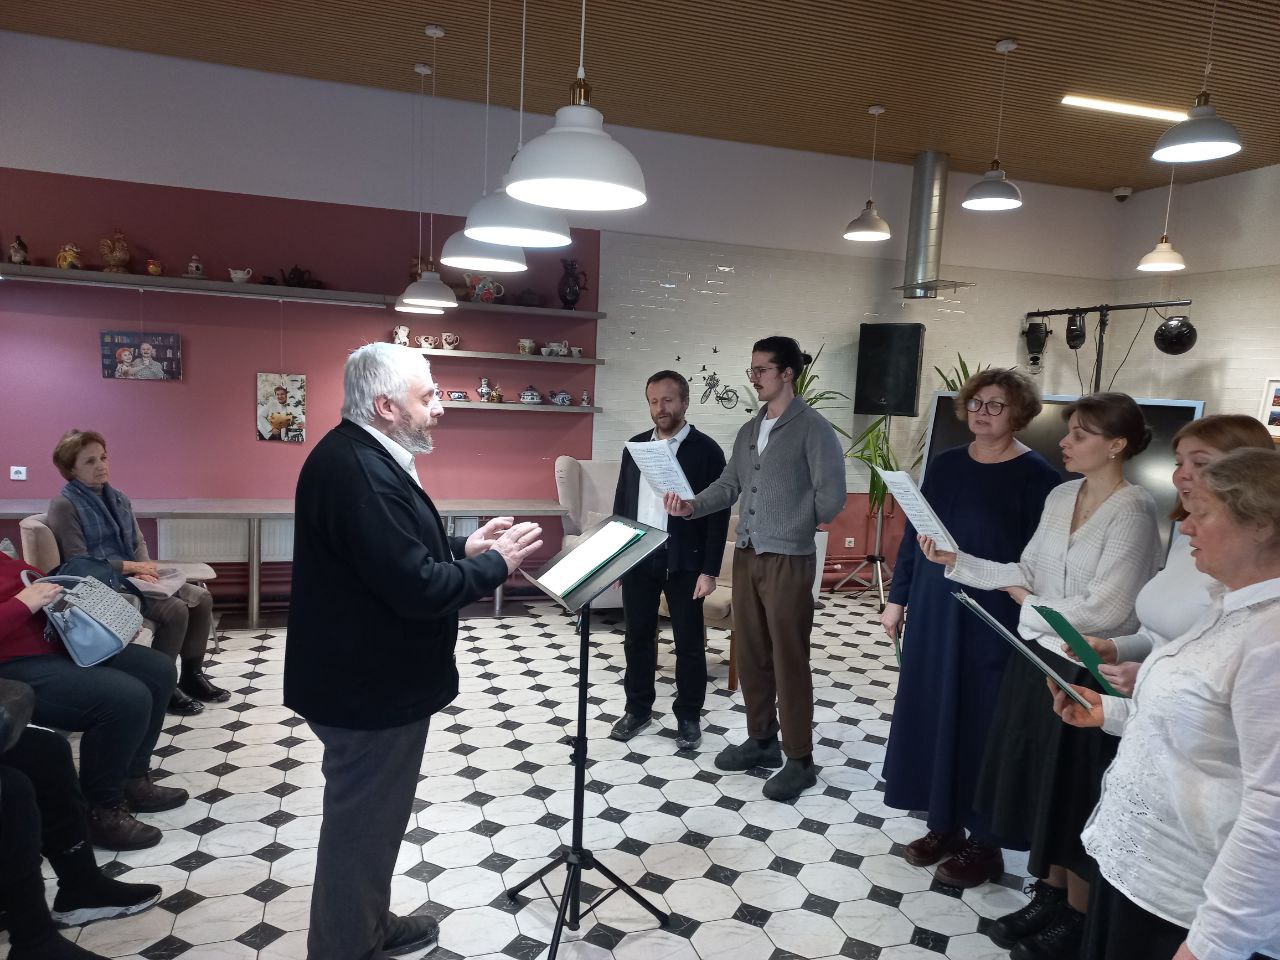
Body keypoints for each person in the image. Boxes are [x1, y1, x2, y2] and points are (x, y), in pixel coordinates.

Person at [283, 343, 543, 960]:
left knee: (371, 826)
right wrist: (496, 566)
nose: (439, 407)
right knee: (362, 831)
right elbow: (417, 588)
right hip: (370, 690)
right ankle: (347, 947)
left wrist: (463, 550)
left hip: (361, 678)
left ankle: (365, 927)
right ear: (385, 406)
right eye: (427, 397)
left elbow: (394, 553)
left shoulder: (359, 453)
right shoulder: (362, 472)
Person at [918, 392, 1161, 959]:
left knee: (1073, 790)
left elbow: (1106, 608)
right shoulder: (1061, 495)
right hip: (1039, 656)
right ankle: (1048, 896)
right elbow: (1026, 570)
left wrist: (1028, 605)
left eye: (1080, 434)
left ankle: (1076, 916)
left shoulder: (1133, 509)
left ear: (1117, 445)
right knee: (1039, 783)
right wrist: (958, 562)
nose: (1065, 443)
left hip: (1089, 665)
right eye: (1069, 430)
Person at [1051, 448, 1280, 960]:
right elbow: (1202, 722)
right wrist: (1110, 712)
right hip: (1144, 870)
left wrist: (1213, 943)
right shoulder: (1231, 605)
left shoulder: (1271, 639)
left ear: (1261, 524)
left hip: (1191, 904)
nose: (1187, 526)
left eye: (1203, 513)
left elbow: (1272, 812)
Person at [880, 369, 1061, 879]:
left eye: (996, 405)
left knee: (983, 721)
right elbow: (917, 535)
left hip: (993, 615)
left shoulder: (1040, 478)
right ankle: (943, 823)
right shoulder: (946, 464)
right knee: (934, 710)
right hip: (936, 609)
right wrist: (898, 599)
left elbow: (1039, 564)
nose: (982, 413)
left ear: (1018, 413)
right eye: (977, 403)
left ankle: (986, 840)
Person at [665, 336, 846, 802]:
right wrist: (691, 505)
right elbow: (729, 485)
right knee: (751, 653)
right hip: (747, 556)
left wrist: (795, 525)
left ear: (787, 373)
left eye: (762, 370)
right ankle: (762, 738)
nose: (755, 378)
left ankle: (800, 759)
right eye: (752, 370)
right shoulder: (749, 429)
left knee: (789, 658)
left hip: (789, 560)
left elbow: (832, 496)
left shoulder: (814, 428)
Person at [1067, 415, 1274, 697]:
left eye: (1200, 463)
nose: (1181, 475)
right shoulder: (1188, 540)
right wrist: (1117, 648)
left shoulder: (1251, 569)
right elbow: (1162, 634)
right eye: (1179, 463)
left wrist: (1150, 676)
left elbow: (1233, 675)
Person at [0, 553, 186, 850]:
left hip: (56, 646)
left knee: (157, 669)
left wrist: (103, 621)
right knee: (124, 698)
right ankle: (102, 810)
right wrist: (23, 604)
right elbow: (24, 603)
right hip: (12, 666)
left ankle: (133, 780)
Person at [45, 429, 226, 716]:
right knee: (176, 609)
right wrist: (132, 568)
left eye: (103, 457)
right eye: (90, 461)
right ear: (71, 469)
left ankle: (192, 676)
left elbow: (138, 541)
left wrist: (144, 568)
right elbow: (79, 560)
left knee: (201, 598)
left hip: (134, 576)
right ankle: (162, 684)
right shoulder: (64, 504)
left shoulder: (118, 497)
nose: (101, 465)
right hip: (99, 585)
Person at [609, 370, 730, 751]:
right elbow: (623, 503)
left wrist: (710, 570)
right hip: (639, 556)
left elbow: (718, 515)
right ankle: (637, 710)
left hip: (685, 562)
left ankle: (689, 716)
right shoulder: (635, 447)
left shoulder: (707, 451)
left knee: (689, 643)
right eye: (653, 401)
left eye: (668, 400)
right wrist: (617, 558)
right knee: (636, 638)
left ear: (685, 402)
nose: (660, 408)